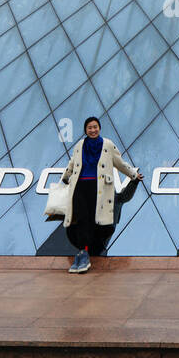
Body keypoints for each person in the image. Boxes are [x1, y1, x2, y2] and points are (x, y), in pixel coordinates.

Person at [59, 116, 143, 274]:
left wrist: (133, 174)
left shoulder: (108, 145)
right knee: (82, 220)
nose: (93, 130)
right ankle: (83, 254)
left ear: (99, 128)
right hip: (80, 187)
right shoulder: (80, 145)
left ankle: (85, 253)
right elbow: (72, 162)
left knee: (93, 220)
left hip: (100, 189)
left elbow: (119, 162)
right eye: (89, 127)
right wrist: (66, 176)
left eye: (95, 127)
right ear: (85, 130)